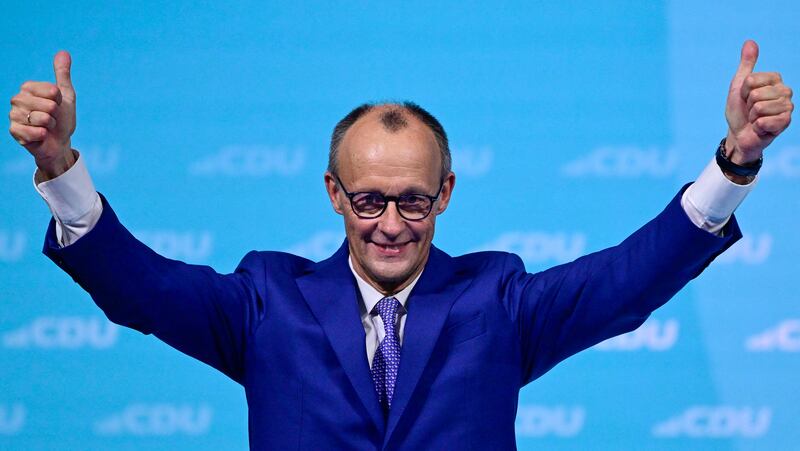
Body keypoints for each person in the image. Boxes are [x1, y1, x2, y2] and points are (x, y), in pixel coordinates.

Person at [7, 40, 793, 449]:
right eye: (368, 200)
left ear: (446, 193)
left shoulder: (499, 301)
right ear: (333, 193)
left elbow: (628, 280)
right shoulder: (265, 301)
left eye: (413, 199)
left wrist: (735, 161)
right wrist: (61, 166)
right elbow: (141, 287)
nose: (390, 222)